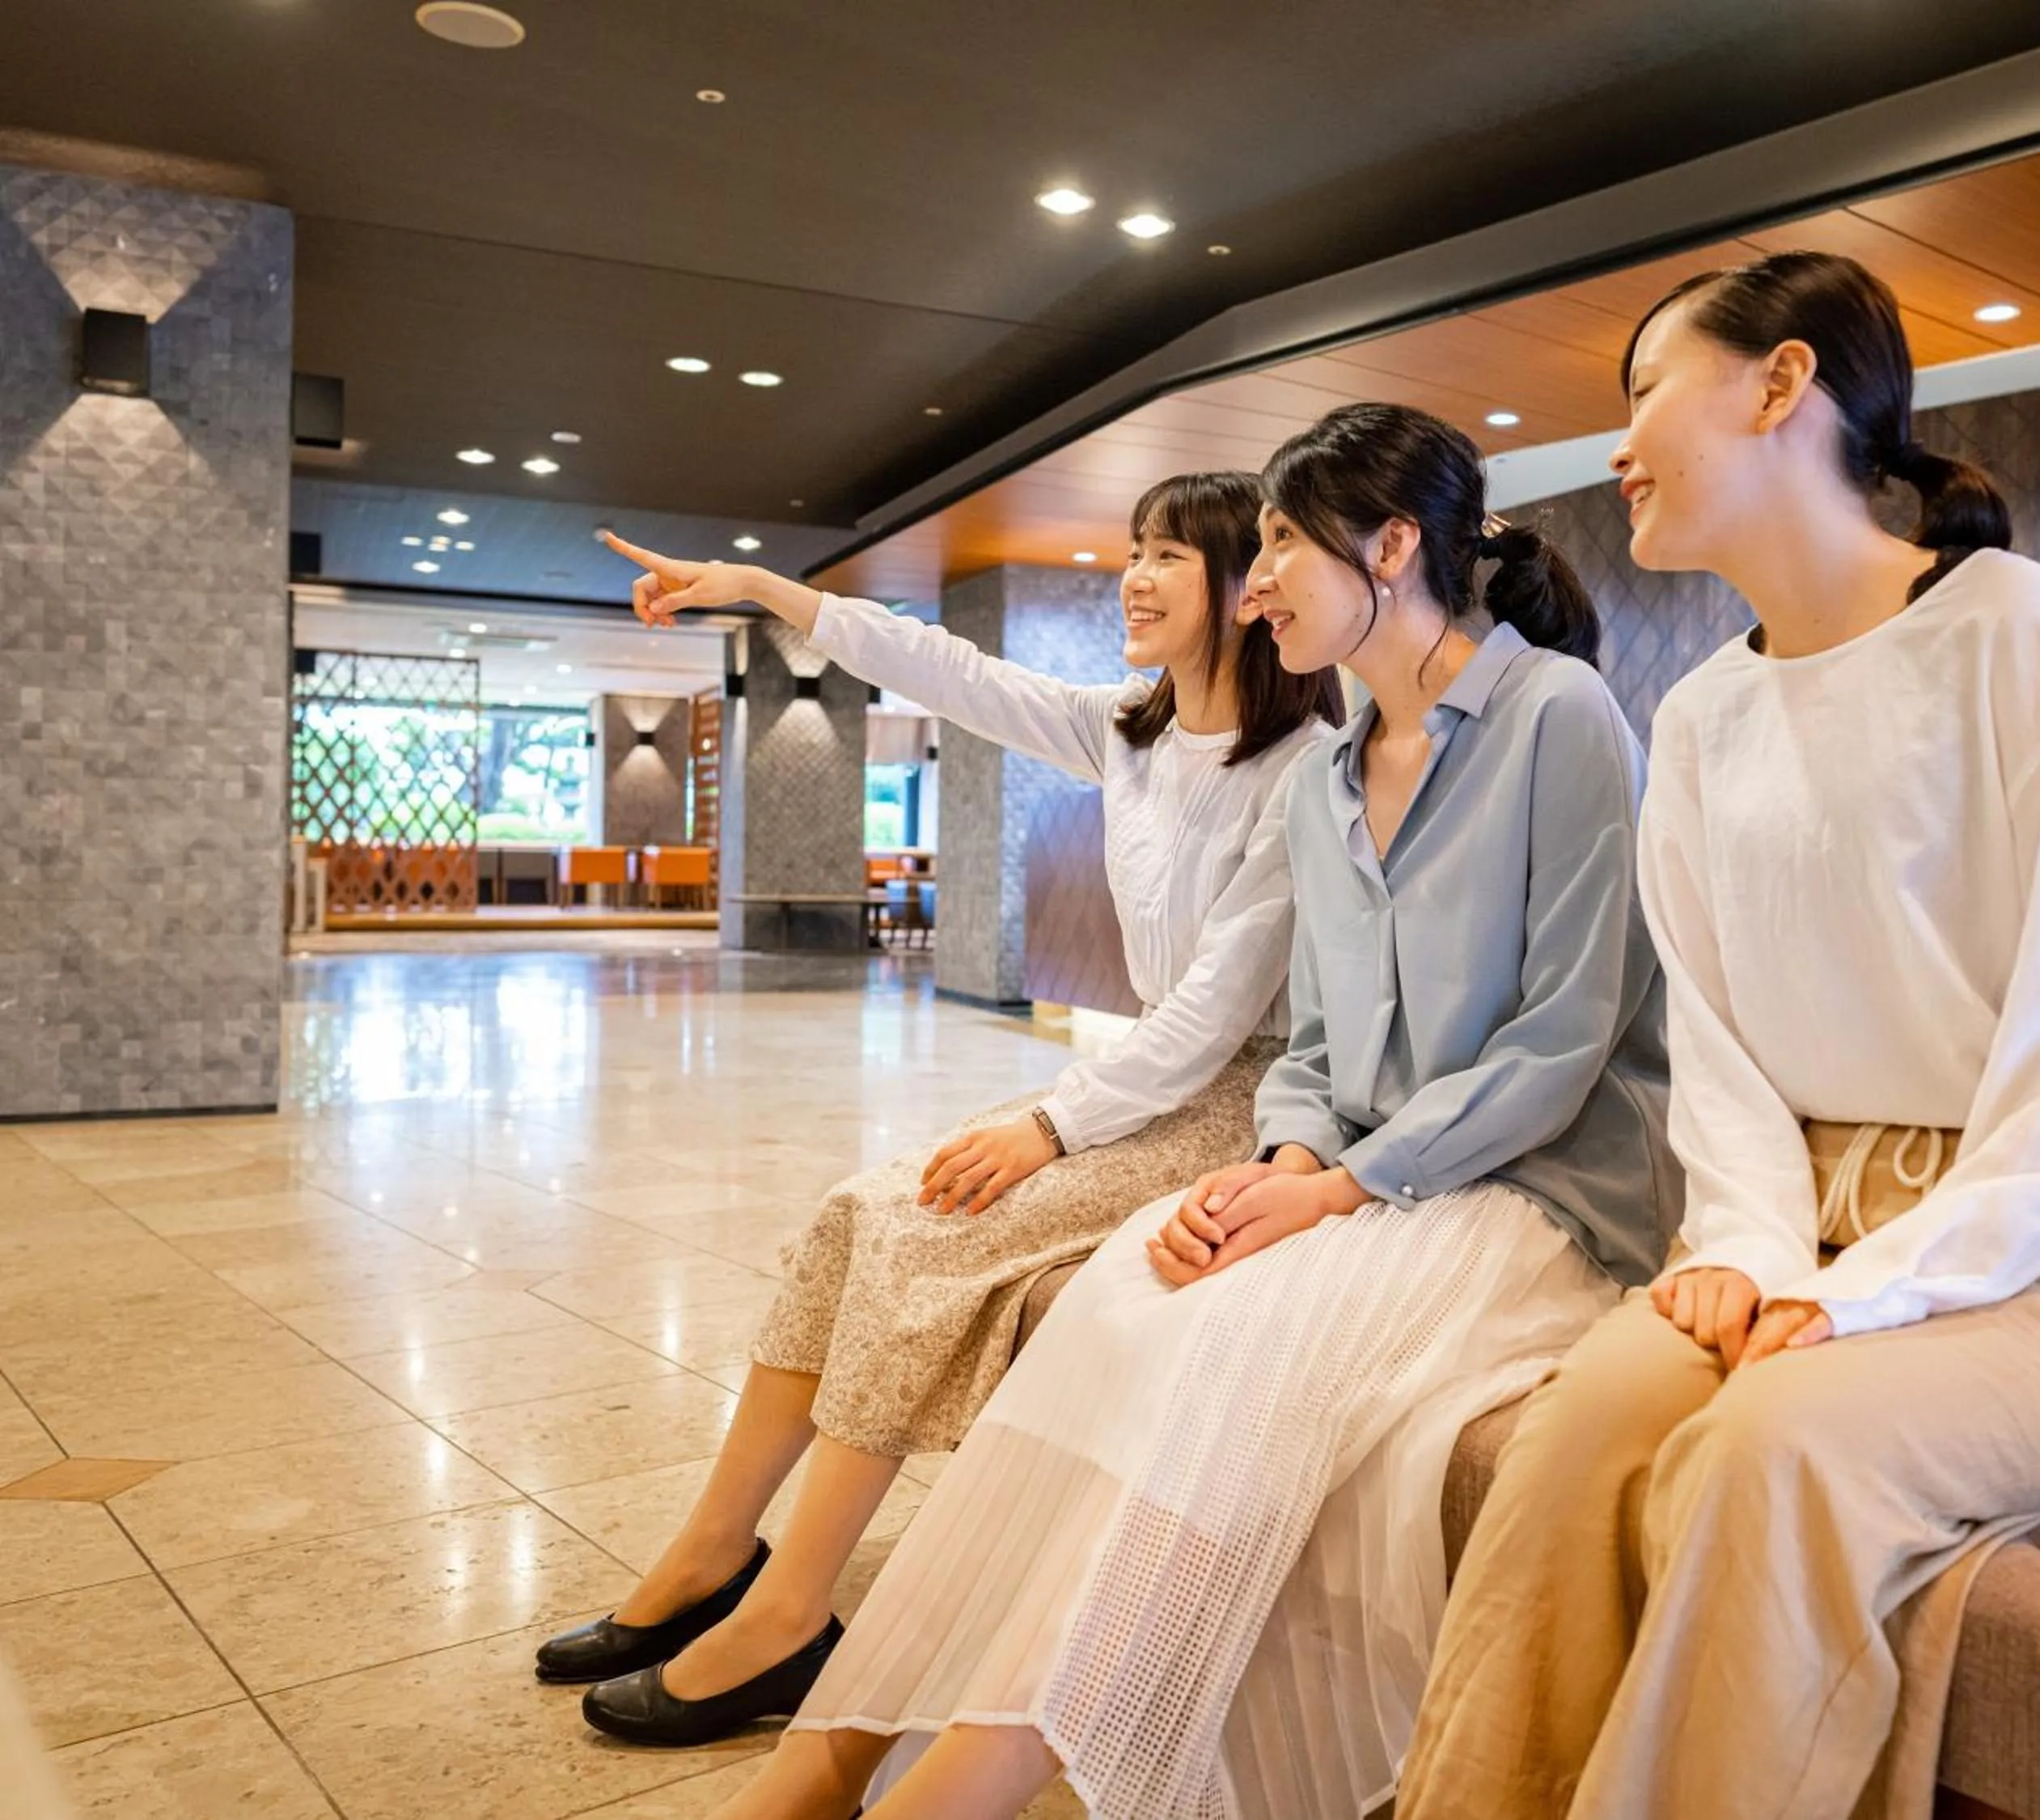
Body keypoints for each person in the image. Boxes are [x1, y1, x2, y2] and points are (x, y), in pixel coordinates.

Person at [706, 402, 1681, 1820]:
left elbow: (1566, 1036)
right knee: (1121, 1300)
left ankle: (967, 1778)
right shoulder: (1336, 771)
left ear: (1395, 547)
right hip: (1360, 1165)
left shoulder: (1558, 716)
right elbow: (1324, 1044)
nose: (1258, 578)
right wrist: (1284, 1155)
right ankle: (837, 1744)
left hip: (1536, 1192)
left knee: (1228, 1348)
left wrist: (1336, 1187)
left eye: (1281, 540)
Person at [1397, 250, 2040, 1820]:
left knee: (1767, 1450)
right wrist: (1746, 1243)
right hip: (1808, 1230)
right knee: (1588, 1418)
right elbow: (1717, 1047)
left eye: (1646, 388)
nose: (1618, 443)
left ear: (1784, 385)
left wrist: (1882, 1291)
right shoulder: (1704, 718)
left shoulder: (2023, 637)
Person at [540, 472, 1341, 1746]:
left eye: (1170, 558)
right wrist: (760, 591)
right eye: (1132, 550)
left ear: (1247, 589)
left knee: (929, 1244)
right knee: (856, 1214)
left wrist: (1047, 1126)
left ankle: (789, 1619)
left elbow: (1217, 1010)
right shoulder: (1127, 732)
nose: (1133, 576)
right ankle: (712, 1551)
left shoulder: (1304, 773)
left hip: (1245, 1098)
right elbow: (947, 668)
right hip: (1145, 1087)